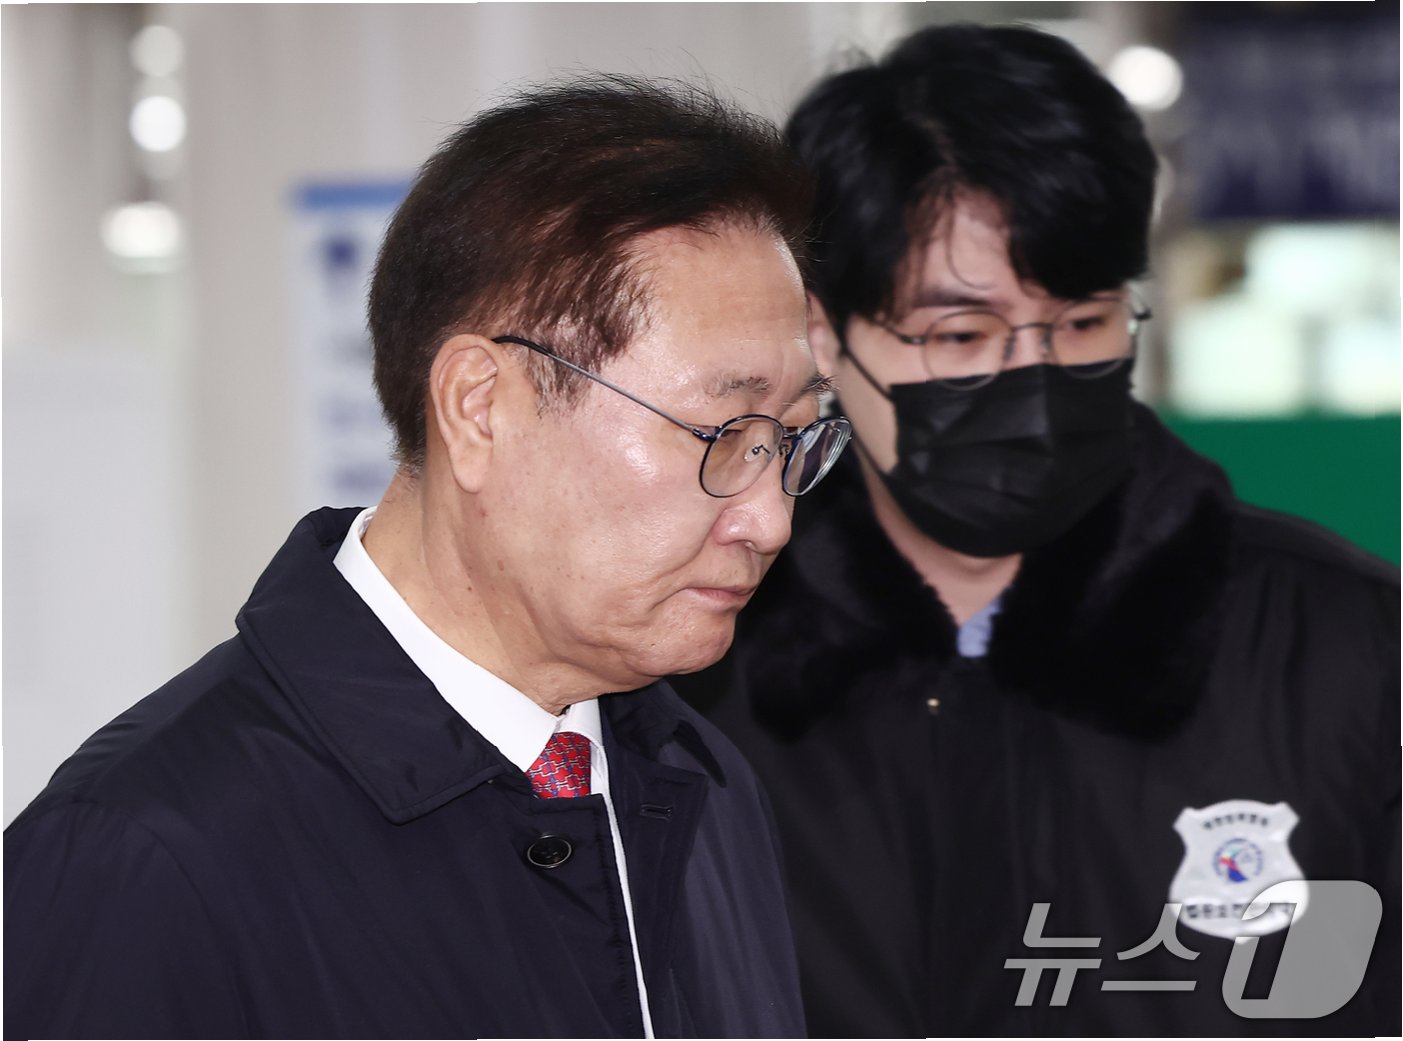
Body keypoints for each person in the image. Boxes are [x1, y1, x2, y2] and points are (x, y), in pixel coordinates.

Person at [5, 77, 852, 1039]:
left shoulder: (700, 784)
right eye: (723, 433)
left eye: (788, 438)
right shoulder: (147, 851)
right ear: (479, 408)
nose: (768, 520)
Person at [675, 23, 1400, 1037]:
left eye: (1081, 321)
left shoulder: (1343, 645)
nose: (1033, 379)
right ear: (823, 337)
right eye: (960, 334)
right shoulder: (700, 671)